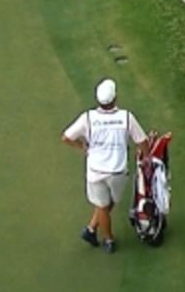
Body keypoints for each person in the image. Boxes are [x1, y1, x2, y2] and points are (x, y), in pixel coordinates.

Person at [61, 79, 150, 255]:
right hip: (117, 171)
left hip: (95, 171)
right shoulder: (126, 117)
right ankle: (106, 238)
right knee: (107, 204)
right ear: (114, 99)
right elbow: (142, 141)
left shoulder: (88, 118)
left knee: (103, 205)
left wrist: (82, 147)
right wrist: (146, 157)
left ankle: (92, 230)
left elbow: (66, 137)